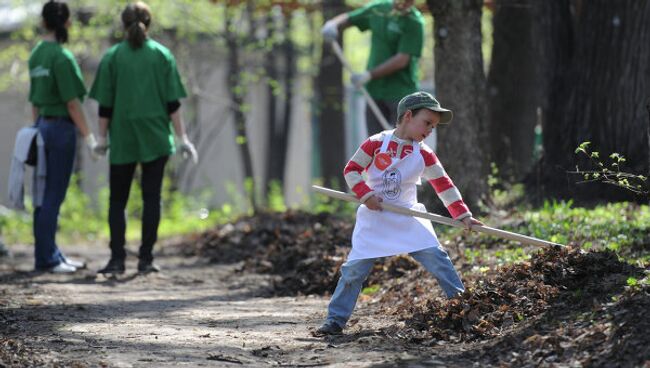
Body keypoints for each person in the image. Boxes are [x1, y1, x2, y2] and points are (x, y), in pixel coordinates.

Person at [315, 91, 483, 336]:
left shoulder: (424, 153)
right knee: (353, 271)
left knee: (439, 261)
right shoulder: (375, 143)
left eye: (434, 127)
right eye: (427, 123)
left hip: (409, 217)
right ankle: (335, 321)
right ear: (407, 116)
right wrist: (366, 195)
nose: (430, 130)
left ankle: (463, 308)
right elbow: (351, 170)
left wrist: (462, 214)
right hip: (375, 216)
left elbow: (443, 184)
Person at [89, 2, 197, 275]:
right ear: (148, 24)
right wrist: (182, 137)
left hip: (124, 137)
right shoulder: (162, 55)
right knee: (152, 199)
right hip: (156, 138)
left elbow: (106, 106)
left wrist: (101, 139)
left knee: (118, 200)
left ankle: (116, 260)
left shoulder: (113, 57)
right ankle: (146, 259)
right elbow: (173, 103)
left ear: (123, 25)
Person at [28, 0, 97, 273]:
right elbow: (72, 103)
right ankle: (48, 258)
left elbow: (34, 101)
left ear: (44, 22)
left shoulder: (36, 55)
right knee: (54, 195)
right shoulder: (61, 57)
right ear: (66, 23)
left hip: (42, 126)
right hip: (60, 130)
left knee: (42, 194)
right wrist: (90, 137)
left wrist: (36, 131)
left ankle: (49, 253)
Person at [321, 0, 424, 135]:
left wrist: (369, 75)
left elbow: (402, 60)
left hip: (401, 96)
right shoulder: (378, 9)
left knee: (399, 147)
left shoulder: (414, 22)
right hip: (375, 92)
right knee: (376, 145)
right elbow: (350, 18)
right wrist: (333, 24)